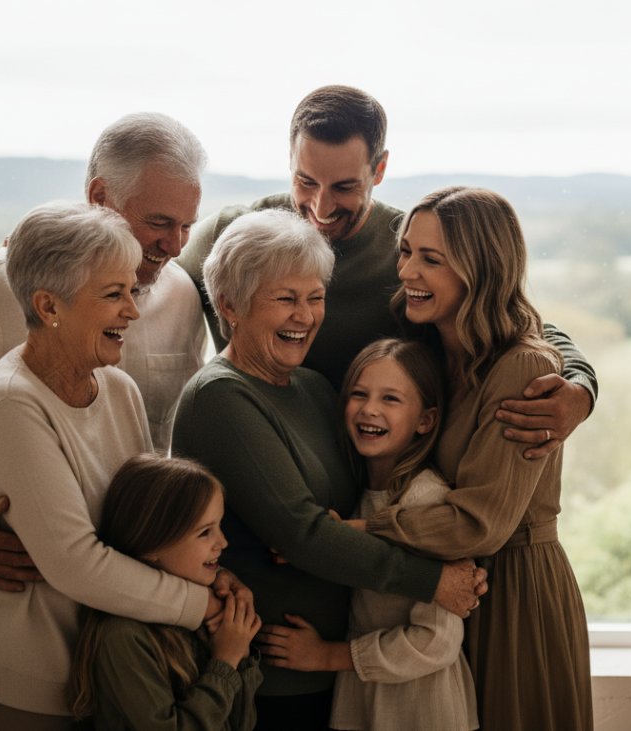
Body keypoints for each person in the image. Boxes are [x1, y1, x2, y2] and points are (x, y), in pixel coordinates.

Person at [172, 210, 486, 731]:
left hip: (343, 672)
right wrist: (434, 582)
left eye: (315, 297)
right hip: (274, 671)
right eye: (285, 298)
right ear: (229, 305)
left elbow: (342, 517)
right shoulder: (220, 397)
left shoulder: (315, 389)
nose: (305, 316)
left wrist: (330, 535)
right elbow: (304, 532)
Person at [0, 113, 209, 596]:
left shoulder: (181, 294)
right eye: (158, 222)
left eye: (187, 226)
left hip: (130, 615)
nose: (175, 245)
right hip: (9, 605)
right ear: (100, 198)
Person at [179, 85, 598, 459]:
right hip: (255, 457)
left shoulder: (410, 250)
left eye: (344, 187)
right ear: (289, 161)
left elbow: (513, 315)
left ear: (379, 170)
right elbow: (146, 281)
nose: (320, 209)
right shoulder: (231, 235)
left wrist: (581, 388)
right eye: (305, 181)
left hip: (379, 477)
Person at [0, 202, 224, 729]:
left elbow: (139, 526)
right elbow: (76, 563)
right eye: (113, 295)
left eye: (130, 291)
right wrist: (200, 605)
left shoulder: (118, 388)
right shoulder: (10, 405)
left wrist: (215, 577)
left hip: (88, 680)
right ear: (49, 306)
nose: (132, 312)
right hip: (7, 681)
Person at [365, 187, 594, 730]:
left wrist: (356, 529)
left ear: (482, 270)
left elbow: (480, 524)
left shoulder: (521, 367)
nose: (407, 272)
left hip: (513, 594)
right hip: (447, 590)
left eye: (432, 259)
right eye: (406, 252)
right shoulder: (425, 340)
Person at [258, 338, 479, 731]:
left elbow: (437, 641)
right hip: (363, 699)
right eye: (359, 394)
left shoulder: (427, 500)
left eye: (391, 399)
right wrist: (313, 549)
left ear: (425, 420)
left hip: (419, 705)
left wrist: (326, 657)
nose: (370, 409)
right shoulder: (358, 495)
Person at [70, 454, 264, 731]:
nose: (223, 541)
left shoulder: (207, 613)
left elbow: (242, 724)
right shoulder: (123, 636)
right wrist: (226, 661)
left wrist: (240, 652)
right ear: (152, 545)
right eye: (205, 532)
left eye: (219, 526)